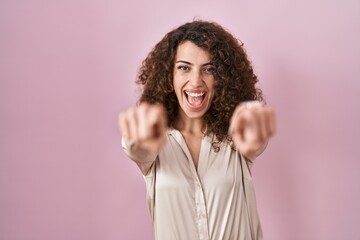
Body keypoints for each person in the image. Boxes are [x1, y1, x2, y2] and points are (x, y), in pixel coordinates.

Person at [119, 20, 276, 240]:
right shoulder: (155, 141)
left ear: (222, 79)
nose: (196, 81)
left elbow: (254, 136)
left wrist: (254, 121)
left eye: (209, 69)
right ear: (169, 75)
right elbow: (137, 148)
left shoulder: (235, 136)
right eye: (184, 67)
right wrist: (139, 139)